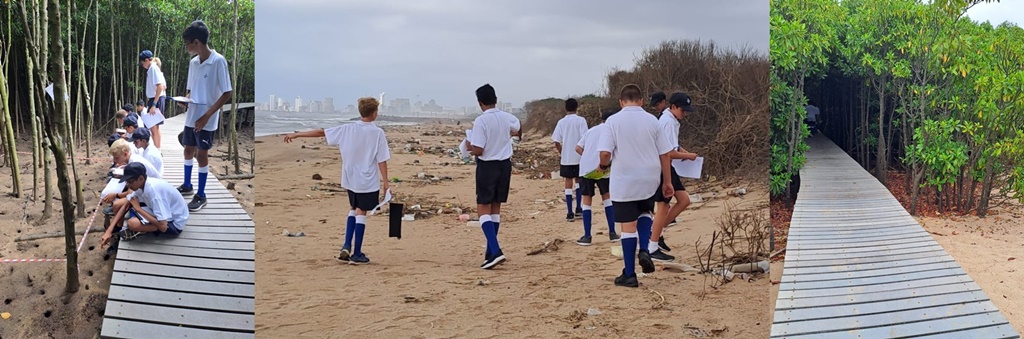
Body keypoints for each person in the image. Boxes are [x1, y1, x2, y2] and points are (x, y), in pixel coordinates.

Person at [284, 97, 390, 265]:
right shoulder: (377, 133)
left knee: (353, 208)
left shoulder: (347, 129)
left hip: (350, 178)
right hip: (367, 180)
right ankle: (356, 253)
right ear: (374, 113)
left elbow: (321, 132)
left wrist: (297, 134)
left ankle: (346, 244)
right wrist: (386, 182)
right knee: (362, 212)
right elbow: (382, 160)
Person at [597, 84, 674, 287]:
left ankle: (629, 274)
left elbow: (605, 153)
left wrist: (603, 165)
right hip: (650, 177)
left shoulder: (612, 121)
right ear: (640, 100)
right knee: (645, 213)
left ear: (621, 102)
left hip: (625, 180)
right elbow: (665, 153)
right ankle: (645, 250)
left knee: (627, 226)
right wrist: (667, 182)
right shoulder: (652, 121)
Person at [176, 20, 233, 212]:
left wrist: (207, 116)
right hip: (192, 115)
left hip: (207, 118)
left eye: (187, 44)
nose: (186, 48)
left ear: (197, 43)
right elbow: (191, 89)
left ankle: (201, 194)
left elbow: (227, 92)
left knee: (201, 155)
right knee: (187, 150)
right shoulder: (194, 63)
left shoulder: (218, 61)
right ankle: (187, 185)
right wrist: (186, 99)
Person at [466, 84, 521, 269]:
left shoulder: (481, 121)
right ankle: (490, 252)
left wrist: (468, 147)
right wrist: (512, 134)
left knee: (483, 207)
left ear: (480, 103)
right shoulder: (507, 117)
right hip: (504, 165)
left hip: (488, 165)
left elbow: (479, 149)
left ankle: (496, 249)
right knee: (495, 208)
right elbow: (518, 126)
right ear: (495, 99)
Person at [650, 93, 699, 262]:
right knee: (663, 206)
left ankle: (656, 232)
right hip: (662, 167)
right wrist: (690, 156)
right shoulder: (667, 122)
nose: (684, 114)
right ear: (673, 107)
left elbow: (671, 146)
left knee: (684, 200)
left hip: (667, 166)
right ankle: (652, 245)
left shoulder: (670, 120)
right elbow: (667, 152)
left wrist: (682, 151)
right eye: (683, 110)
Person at [100, 162, 189, 247]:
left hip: (175, 223)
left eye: (130, 182)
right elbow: (125, 206)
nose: (128, 185)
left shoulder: (154, 193)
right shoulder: (142, 185)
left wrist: (139, 209)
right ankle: (123, 229)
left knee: (132, 224)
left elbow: (163, 227)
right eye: (127, 182)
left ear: (141, 178)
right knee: (126, 205)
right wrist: (109, 230)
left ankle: (145, 230)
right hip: (167, 212)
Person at [574, 110, 619, 246]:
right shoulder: (612, 131)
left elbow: (577, 148)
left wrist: (588, 155)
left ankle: (587, 236)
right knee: (607, 197)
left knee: (587, 200)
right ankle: (612, 232)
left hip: (587, 168)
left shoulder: (592, 130)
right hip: (604, 168)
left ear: (601, 119)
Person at [551, 98, 589, 221]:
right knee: (578, 182)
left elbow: (556, 141)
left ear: (565, 108)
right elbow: (585, 138)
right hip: (579, 157)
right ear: (576, 107)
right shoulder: (581, 121)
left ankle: (569, 212)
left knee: (568, 183)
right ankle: (578, 208)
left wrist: (562, 151)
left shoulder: (561, 122)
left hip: (566, 158)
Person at [139, 50, 167, 148]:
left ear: (146, 60)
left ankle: (157, 149)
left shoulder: (153, 69)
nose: (142, 65)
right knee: (154, 127)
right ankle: (157, 149)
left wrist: (154, 105)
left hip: (156, 99)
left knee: (153, 127)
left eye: (142, 63)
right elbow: (164, 86)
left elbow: (160, 87)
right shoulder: (154, 69)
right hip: (156, 98)